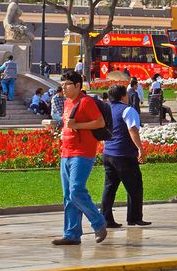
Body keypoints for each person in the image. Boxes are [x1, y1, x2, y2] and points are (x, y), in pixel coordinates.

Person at [51, 70, 108, 245]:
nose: (63, 88)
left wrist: (78, 125)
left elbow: (100, 123)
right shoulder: (68, 103)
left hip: (82, 153)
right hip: (66, 152)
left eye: (66, 84)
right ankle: (71, 234)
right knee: (68, 195)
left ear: (77, 85)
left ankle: (98, 223)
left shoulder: (86, 102)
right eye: (62, 85)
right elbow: (69, 125)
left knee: (76, 190)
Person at [100, 83, 150, 229]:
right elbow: (132, 130)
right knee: (135, 186)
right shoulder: (128, 110)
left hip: (108, 153)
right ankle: (134, 218)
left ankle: (106, 219)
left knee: (109, 187)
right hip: (124, 154)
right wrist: (140, 149)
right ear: (123, 96)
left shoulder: (107, 109)